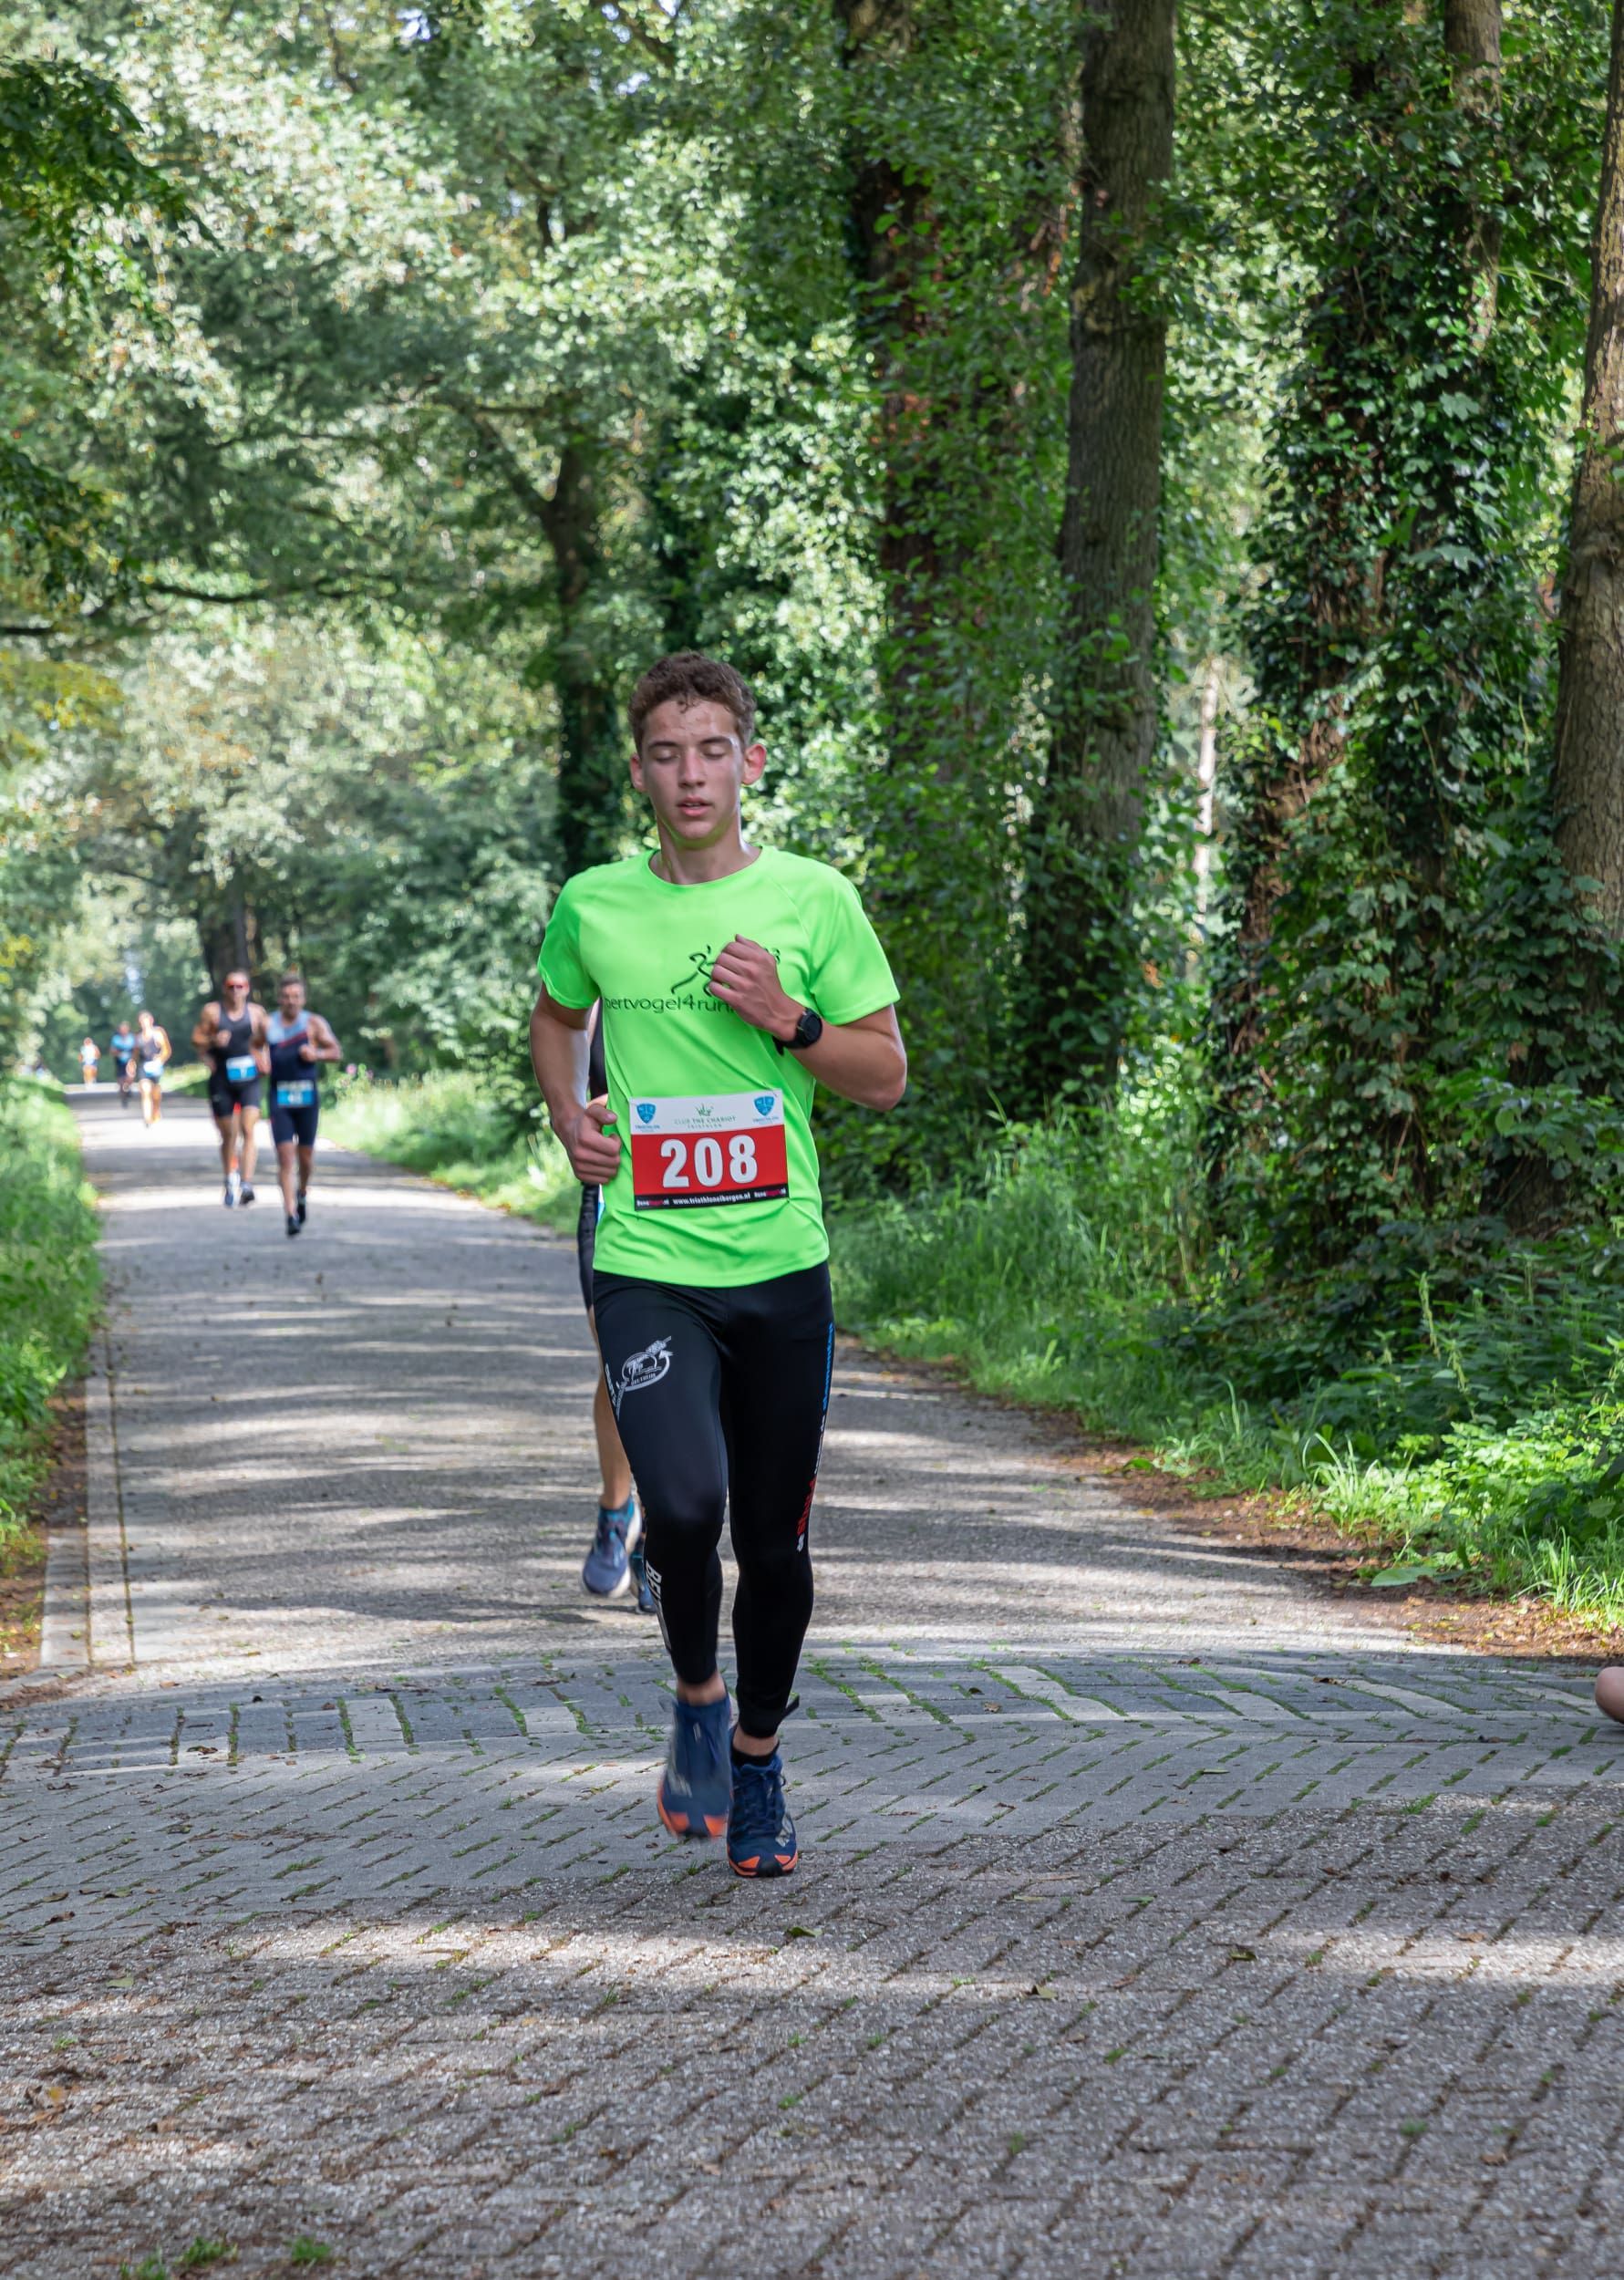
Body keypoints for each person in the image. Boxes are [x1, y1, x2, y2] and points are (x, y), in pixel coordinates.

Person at [531, 650, 905, 1879]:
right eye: (664, 753)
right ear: (637, 772)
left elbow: (885, 1075)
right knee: (683, 1513)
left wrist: (790, 1021)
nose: (689, 774)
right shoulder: (595, 904)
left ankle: (755, 1757)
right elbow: (554, 1014)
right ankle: (696, 1688)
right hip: (649, 1258)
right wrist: (564, 1114)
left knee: (777, 1545)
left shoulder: (812, 900)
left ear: (747, 761)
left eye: (711, 750)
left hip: (781, 1267)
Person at [570, 1006, 651, 1612]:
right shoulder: (589, 990)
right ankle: (615, 1507)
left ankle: (663, 1529)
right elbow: (567, 1100)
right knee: (623, 1355)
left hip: (707, 1206)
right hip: (617, 1200)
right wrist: (578, 1118)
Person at [264, 972, 340, 1238]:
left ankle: (302, 1192)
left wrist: (316, 1053)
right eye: (286, 997)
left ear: (303, 998)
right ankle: (290, 1215)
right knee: (285, 1158)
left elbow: (336, 1052)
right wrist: (260, 1061)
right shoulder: (268, 1024)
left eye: (296, 996)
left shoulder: (314, 1023)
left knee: (305, 1158)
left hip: (307, 1097)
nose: (291, 1001)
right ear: (279, 998)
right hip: (279, 1097)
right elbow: (253, 1047)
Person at [193, 969, 269, 1207]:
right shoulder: (212, 1011)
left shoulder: (257, 1013)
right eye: (231, 986)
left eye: (240, 986)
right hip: (222, 1080)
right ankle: (229, 1180)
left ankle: (246, 1183)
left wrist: (264, 1059)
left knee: (248, 1129)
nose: (236, 991)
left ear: (247, 989)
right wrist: (213, 1042)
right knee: (229, 1134)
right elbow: (197, 1038)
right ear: (225, 989)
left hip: (249, 1079)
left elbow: (266, 1041)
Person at [134, 1010, 171, 1126]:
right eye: (141, 1022)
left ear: (151, 1021)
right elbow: (135, 1054)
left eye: (145, 1021)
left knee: (155, 1092)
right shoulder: (138, 1037)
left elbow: (167, 1050)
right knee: (145, 1090)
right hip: (143, 1066)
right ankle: (147, 1117)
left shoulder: (158, 1033)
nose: (144, 1024)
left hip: (155, 1065)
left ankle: (156, 1110)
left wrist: (160, 1058)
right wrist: (132, 1064)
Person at [109, 1019, 137, 1107]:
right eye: (122, 1029)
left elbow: (136, 1049)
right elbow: (112, 1050)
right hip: (119, 1062)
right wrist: (118, 1054)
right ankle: (123, 1099)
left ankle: (128, 1088)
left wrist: (133, 1058)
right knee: (121, 1081)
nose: (123, 1031)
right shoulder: (116, 1039)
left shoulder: (132, 1037)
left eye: (125, 1029)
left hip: (130, 1061)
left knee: (130, 1078)